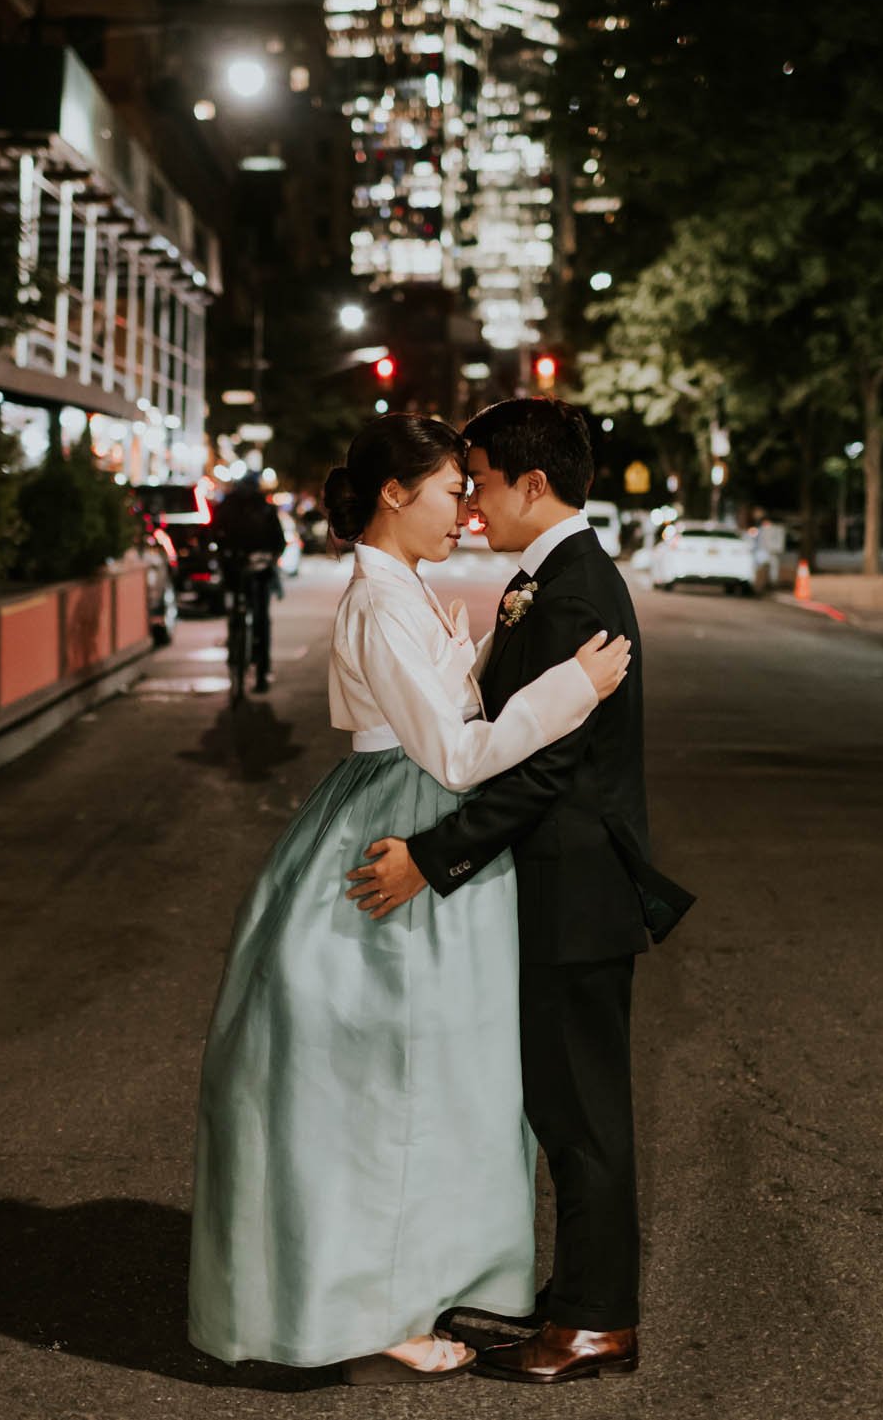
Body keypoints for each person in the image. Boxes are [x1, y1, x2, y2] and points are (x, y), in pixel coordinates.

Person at [189, 414, 633, 1386]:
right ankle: (377, 1302)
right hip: (402, 819)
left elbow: (450, 713)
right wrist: (571, 688)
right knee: (382, 1079)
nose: (464, 511)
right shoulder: (379, 599)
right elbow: (457, 750)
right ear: (395, 492)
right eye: (448, 490)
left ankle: (418, 1281)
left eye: (472, 489)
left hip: (424, 816)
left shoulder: (408, 586)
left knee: (435, 1079)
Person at [346, 397, 694, 1385]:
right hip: (555, 882)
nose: (471, 503)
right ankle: (580, 1295)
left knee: (581, 1110)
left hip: (572, 886)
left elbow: (544, 774)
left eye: (483, 480)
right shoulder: (549, 580)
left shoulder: (575, 588)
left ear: (531, 484)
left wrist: (430, 856)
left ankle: (595, 1321)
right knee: (563, 1104)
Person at [211, 473, 286, 693]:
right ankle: (261, 671)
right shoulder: (263, 507)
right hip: (252, 569)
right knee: (260, 619)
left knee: (247, 614)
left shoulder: (229, 505)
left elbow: (215, 533)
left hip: (237, 568)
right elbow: (278, 542)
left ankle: (243, 653)